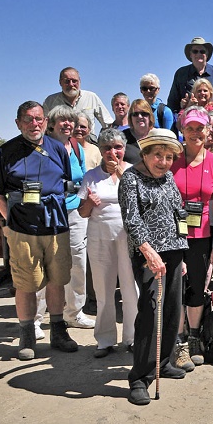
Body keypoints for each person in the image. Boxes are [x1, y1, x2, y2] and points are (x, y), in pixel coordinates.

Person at [0, 101, 78, 360]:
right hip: (23, 230)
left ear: (46, 121)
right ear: (18, 123)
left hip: (56, 227)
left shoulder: (58, 148)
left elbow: (67, 185)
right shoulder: (6, 151)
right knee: (26, 284)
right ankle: (27, 333)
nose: (34, 124)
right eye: (28, 119)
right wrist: (13, 223)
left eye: (38, 119)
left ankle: (58, 331)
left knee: (57, 280)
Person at [119, 128, 189, 405]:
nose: (163, 162)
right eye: (158, 155)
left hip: (173, 252)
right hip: (148, 254)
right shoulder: (130, 179)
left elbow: (178, 213)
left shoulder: (169, 178)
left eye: (169, 157)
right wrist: (148, 251)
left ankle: (164, 361)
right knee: (150, 311)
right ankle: (139, 377)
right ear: (145, 154)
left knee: (173, 308)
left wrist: (181, 252)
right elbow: (131, 220)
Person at [169, 106, 213, 370]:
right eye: (190, 128)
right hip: (172, 234)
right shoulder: (171, 159)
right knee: (174, 287)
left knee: (196, 286)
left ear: (208, 131)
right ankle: (178, 340)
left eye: (200, 128)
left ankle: (193, 336)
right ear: (182, 130)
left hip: (202, 236)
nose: (195, 133)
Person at [77, 128, 137, 357]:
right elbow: (82, 213)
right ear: (101, 151)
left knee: (132, 289)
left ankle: (131, 338)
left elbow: (140, 202)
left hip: (129, 237)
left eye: (118, 147)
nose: (113, 152)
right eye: (107, 148)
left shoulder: (133, 172)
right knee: (103, 290)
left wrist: (121, 174)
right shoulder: (91, 175)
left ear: (124, 149)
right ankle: (104, 339)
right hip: (99, 237)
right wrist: (90, 203)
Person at [38, 105, 94, 330]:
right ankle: (36, 318)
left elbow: (80, 179)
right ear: (51, 123)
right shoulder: (41, 146)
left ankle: (74, 312)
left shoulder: (76, 147)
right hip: (47, 212)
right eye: (62, 120)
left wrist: (82, 200)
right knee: (43, 265)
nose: (68, 124)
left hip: (73, 212)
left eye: (71, 121)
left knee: (78, 263)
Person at [167, 37, 213, 115]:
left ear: (207, 54)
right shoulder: (181, 74)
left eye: (202, 51)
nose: (199, 54)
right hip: (189, 120)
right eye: (195, 51)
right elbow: (173, 103)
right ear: (190, 55)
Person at [43, 67, 112, 131]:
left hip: (87, 141)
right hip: (60, 143)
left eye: (74, 81)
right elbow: (44, 126)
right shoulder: (50, 101)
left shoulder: (91, 97)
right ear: (60, 82)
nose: (71, 84)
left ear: (79, 81)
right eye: (67, 81)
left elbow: (108, 124)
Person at [122, 99, 155, 164]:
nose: (139, 117)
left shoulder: (158, 136)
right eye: (135, 114)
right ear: (130, 117)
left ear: (150, 116)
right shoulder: (122, 137)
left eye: (143, 113)